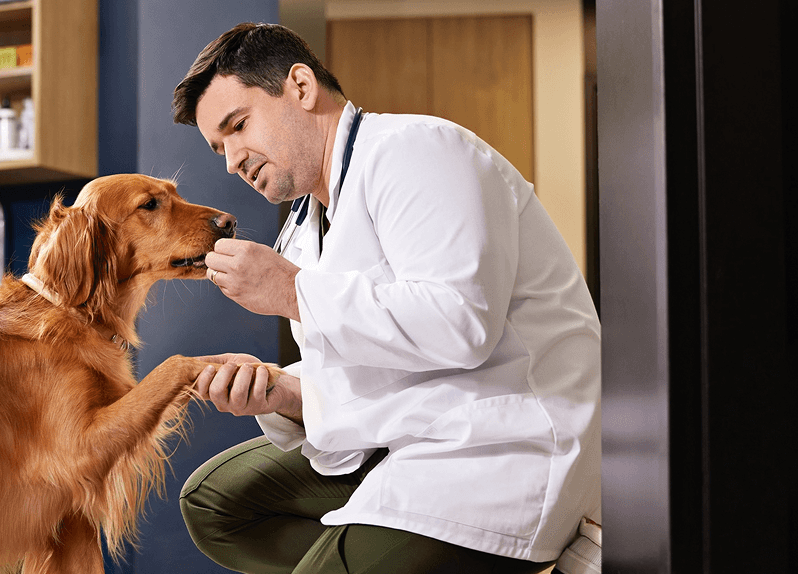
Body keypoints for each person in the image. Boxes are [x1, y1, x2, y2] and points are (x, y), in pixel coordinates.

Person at [174, 23, 601, 574]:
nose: (232, 160)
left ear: (300, 87)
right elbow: (372, 361)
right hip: (410, 436)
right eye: (219, 148)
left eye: (238, 126)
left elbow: (460, 325)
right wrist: (281, 391)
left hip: (503, 446)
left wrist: (291, 291)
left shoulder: (418, 151)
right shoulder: (307, 224)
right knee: (215, 501)